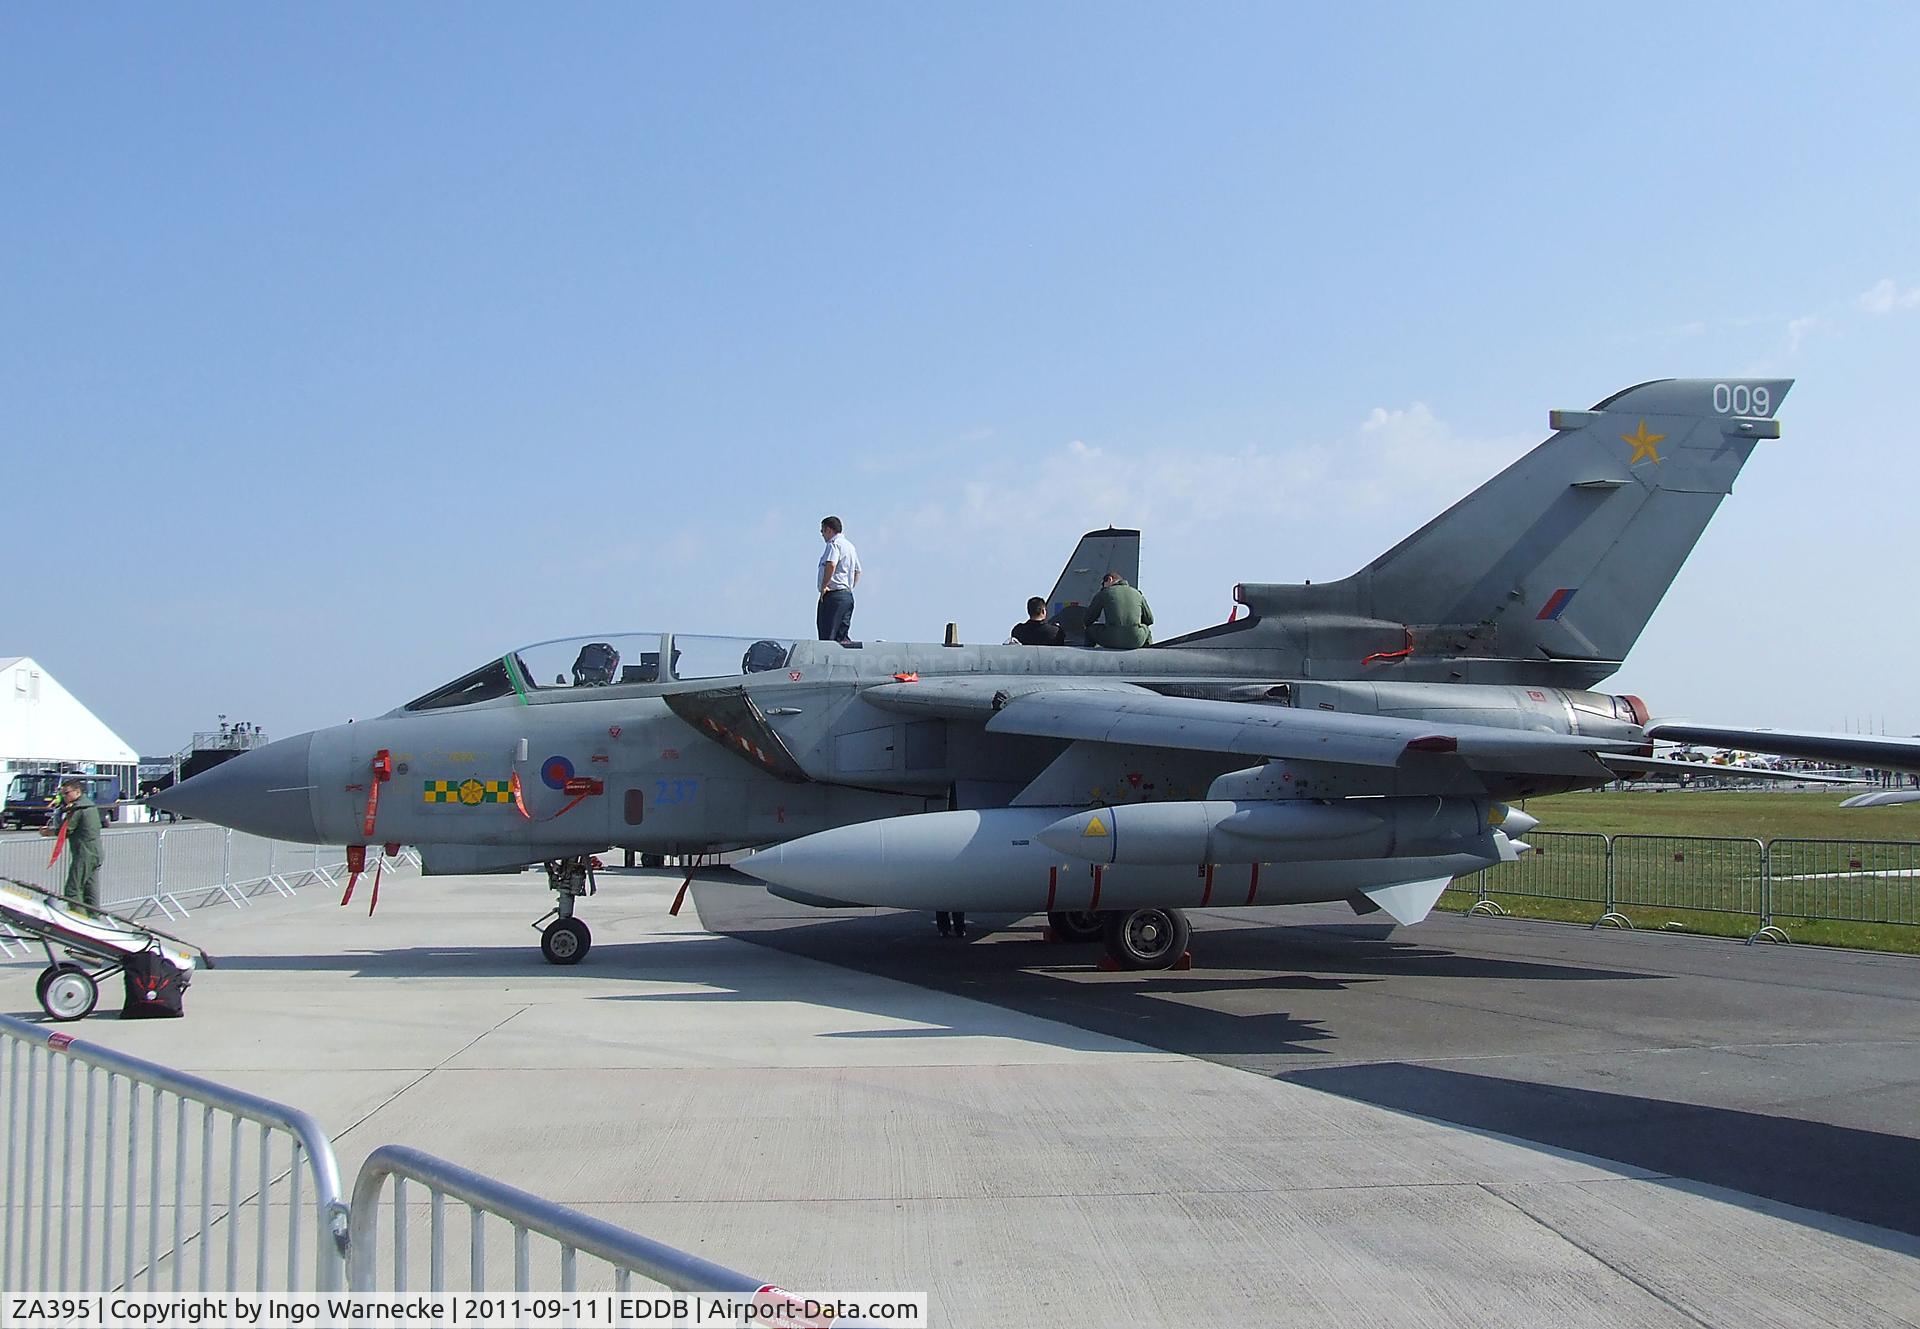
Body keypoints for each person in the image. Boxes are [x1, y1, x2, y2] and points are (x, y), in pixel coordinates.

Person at [40, 778, 104, 911]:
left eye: (67, 793)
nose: (64, 797)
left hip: (85, 852)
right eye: (62, 794)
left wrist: (48, 832)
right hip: (94, 852)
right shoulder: (89, 805)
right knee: (89, 888)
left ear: (77, 792)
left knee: (72, 889)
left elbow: (67, 829)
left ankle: (79, 918)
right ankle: (94, 917)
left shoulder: (79, 808)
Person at [816, 515, 861, 643]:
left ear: (829, 530)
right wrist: (849, 587)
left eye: (822, 530)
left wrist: (825, 586)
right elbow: (858, 571)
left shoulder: (833, 545)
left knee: (827, 638)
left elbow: (831, 564)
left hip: (833, 596)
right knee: (841, 639)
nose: (822, 534)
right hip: (846, 596)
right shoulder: (850, 547)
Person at [1084, 572, 1154, 649]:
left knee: (1090, 630)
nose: (1103, 586)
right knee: (1146, 629)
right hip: (1135, 640)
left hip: (1111, 640)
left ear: (1110, 579)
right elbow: (1149, 620)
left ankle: (1088, 653)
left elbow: (1088, 620)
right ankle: (1147, 653)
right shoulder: (1137, 594)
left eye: (1103, 583)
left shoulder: (1104, 593)